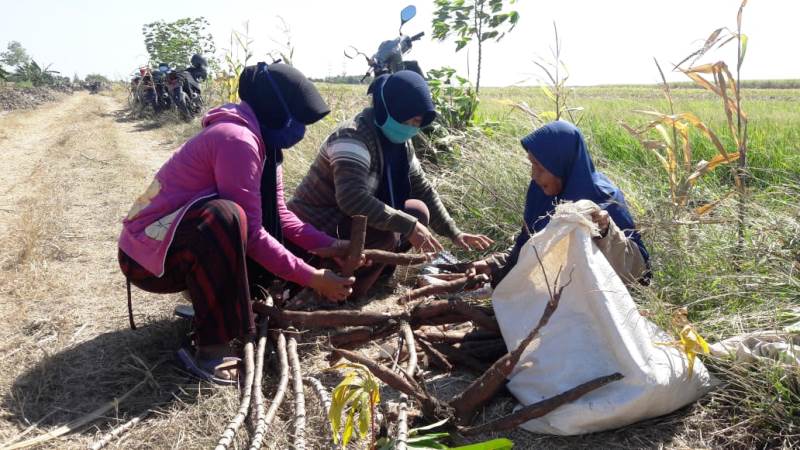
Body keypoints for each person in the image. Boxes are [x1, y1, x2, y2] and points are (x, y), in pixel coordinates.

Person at [117, 62, 355, 384]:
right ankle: (210, 349)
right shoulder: (237, 140)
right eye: (298, 119)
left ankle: (217, 309)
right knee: (226, 217)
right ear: (275, 109)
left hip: (176, 245)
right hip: (147, 261)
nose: (301, 130)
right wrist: (314, 277)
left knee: (240, 223)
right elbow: (252, 233)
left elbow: (280, 215)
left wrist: (330, 246)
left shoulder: (265, 145)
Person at [288, 70, 493, 297]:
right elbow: (352, 198)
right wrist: (408, 226)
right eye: (412, 120)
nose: (414, 128)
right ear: (392, 109)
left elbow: (422, 188)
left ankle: (374, 275)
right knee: (388, 233)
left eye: (419, 122)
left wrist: (454, 232)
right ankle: (343, 291)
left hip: (349, 221)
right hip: (318, 225)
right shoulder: (352, 136)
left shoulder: (400, 143)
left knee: (417, 210)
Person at [467, 121, 651, 287]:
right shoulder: (541, 194)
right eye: (532, 165)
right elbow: (532, 245)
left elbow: (639, 272)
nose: (534, 175)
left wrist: (606, 232)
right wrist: (495, 264)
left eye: (540, 166)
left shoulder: (604, 199)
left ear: (561, 163)